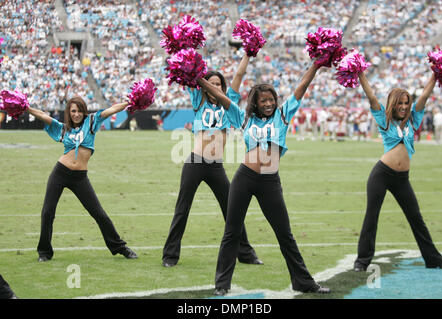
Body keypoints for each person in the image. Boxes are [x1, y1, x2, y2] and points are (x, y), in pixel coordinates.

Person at [198, 62, 331, 296]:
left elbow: (302, 86)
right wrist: (196, 78)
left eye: (271, 99)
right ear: (255, 103)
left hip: (270, 181)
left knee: (285, 234)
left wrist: (316, 65)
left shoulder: (283, 114)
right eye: (263, 101)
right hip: (245, 178)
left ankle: (303, 282)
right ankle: (221, 285)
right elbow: (220, 94)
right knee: (232, 232)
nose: (268, 104)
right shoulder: (242, 117)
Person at [162, 54, 262, 267]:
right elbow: (190, 73)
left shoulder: (229, 103)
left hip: (216, 166)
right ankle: (170, 256)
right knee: (182, 209)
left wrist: (248, 53)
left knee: (231, 209)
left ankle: (246, 254)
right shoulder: (198, 100)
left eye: (219, 84)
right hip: (195, 163)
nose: (215, 87)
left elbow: (239, 74)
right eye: (211, 83)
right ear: (205, 86)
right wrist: (182, 51)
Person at [353, 71, 442, 271]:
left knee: (416, 217)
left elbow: (423, 97)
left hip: (402, 179)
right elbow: (371, 96)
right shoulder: (383, 118)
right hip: (381, 175)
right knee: (372, 216)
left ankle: (434, 260)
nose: (404, 107)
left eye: (406, 103)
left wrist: (435, 74)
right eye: (400, 103)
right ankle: (362, 262)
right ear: (393, 104)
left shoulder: (414, 119)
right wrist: (360, 73)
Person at [27, 96, 138, 262]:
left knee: (99, 214)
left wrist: (131, 102)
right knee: (48, 212)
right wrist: (25, 107)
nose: (76, 114)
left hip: (80, 178)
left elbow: (111, 110)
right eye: (73, 111)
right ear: (69, 113)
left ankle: (120, 247)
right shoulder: (63, 128)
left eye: (79, 110)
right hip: (60, 173)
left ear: (84, 111)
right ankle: (44, 252)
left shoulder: (91, 121)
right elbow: (43, 115)